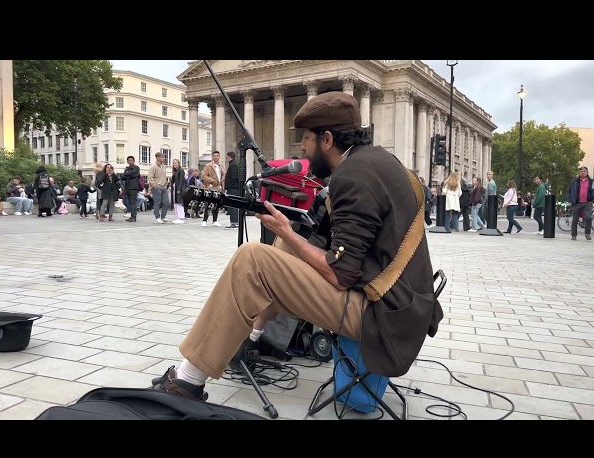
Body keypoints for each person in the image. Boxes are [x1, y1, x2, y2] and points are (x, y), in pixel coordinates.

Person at [150, 92, 443, 400]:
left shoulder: (353, 177)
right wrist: (289, 237)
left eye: (306, 138)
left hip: (382, 317)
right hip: (400, 304)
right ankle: (250, 341)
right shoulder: (380, 161)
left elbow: (340, 274)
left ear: (327, 139)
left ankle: (187, 381)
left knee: (253, 260)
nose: (302, 147)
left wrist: (288, 233)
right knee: (283, 250)